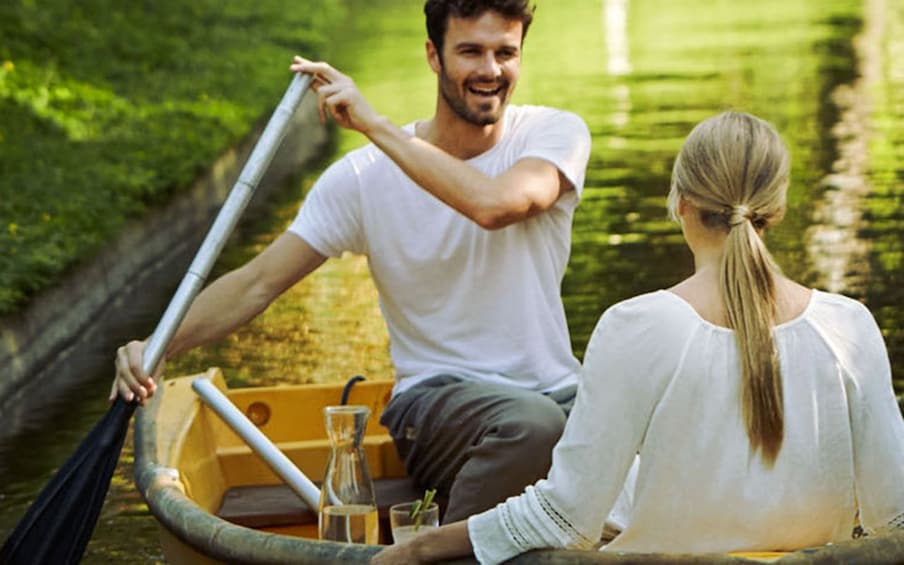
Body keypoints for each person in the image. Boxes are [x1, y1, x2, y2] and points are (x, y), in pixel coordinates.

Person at [111, 0, 592, 523]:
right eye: (470, 51)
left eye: (506, 53)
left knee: (639, 417)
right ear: (433, 55)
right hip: (437, 400)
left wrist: (374, 125)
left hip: (557, 393)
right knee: (534, 428)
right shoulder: (362, 178)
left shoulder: (553, 135)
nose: (490, 71)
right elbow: (256, 283)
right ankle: (432, 551)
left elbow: (497, 205)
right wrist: (159, 343)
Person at [371, 111, 904, 564]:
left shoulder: (637, 325)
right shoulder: (848, 326)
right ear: (778, 210)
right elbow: (894, 518)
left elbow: (565, 517)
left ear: (681, 204)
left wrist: (422, 548)